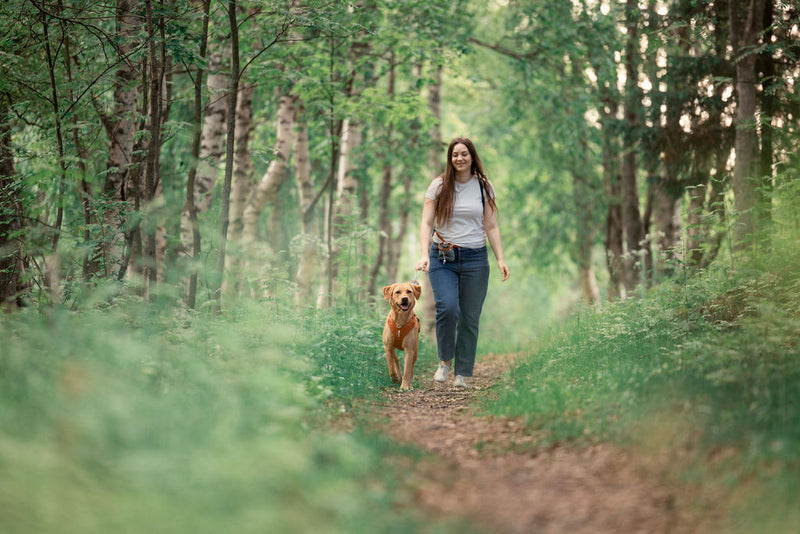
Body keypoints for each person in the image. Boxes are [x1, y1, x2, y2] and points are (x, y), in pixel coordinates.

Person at [415, 137, 510, 388]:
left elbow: (491, 225)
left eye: (464, 154)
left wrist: (500, 258)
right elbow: (426, 222)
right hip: (442, 256)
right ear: (450, 158)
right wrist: (424, 254)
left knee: (470, 316)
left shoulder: (483, 187)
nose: (459, 158)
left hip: (475, 259)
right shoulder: (439, 185)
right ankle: (445, 362)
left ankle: (462, 373)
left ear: (472, 156)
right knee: (447, 308)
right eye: (455, 154)